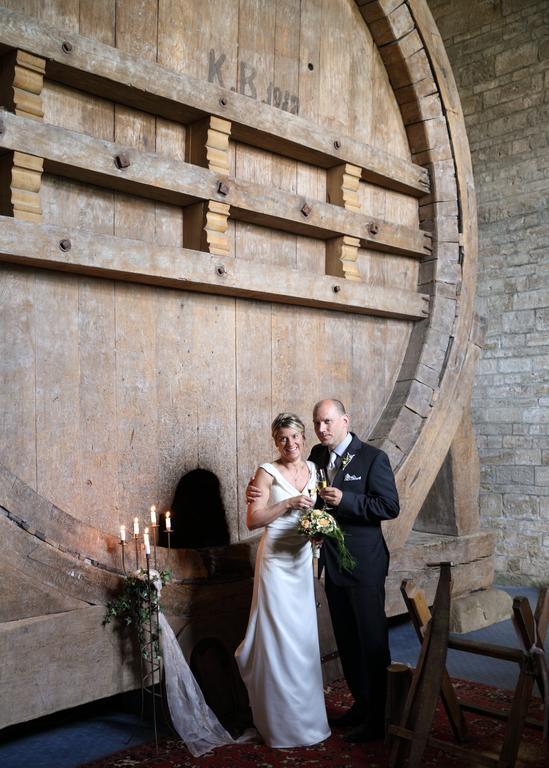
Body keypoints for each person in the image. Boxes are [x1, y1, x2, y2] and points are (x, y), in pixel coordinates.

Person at [235, 413, 331, 749]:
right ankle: (280, 725)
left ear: (304, 437)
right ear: (275, 442)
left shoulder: (315, 470)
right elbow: (252, 520)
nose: (290, 444)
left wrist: (318, 532)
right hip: (275, 562)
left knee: (303, 637)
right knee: (280, 637)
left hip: (301, 559)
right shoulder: (265, 472)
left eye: (295, 437)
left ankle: (308, 721)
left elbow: (317, 512)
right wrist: (288, 502)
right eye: (282, 439)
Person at [309, 399, 400, 743]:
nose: (322, 429)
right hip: (333, 564)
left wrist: (346, 500)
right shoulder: (317, 456)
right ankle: (362, 705)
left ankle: (381, 718)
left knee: (372, 642)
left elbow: (389, 506)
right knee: (347, 640)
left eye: (328, 422)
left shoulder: (373, 458)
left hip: (365, 566)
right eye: (317, 423)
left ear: (345, 420)